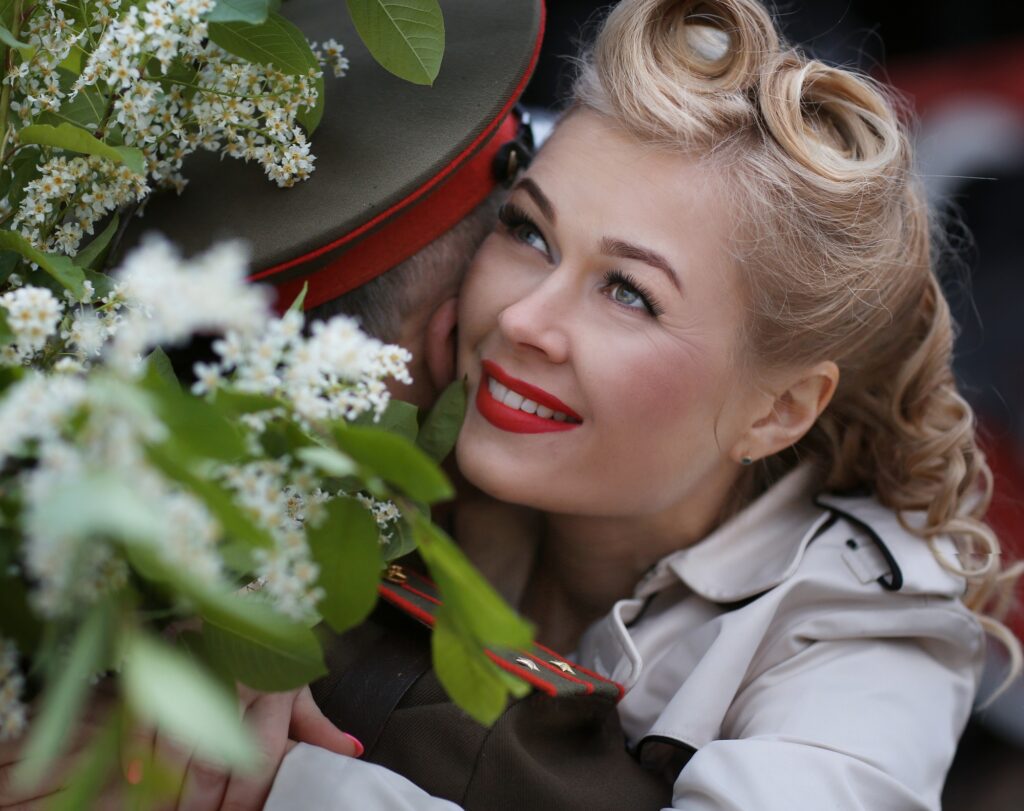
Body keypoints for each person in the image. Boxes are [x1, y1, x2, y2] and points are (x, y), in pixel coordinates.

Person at [264, 0, 1023, 808]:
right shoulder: (396, 397)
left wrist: (269, 777)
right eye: (529, 233)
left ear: (779, 410)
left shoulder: (865, 632)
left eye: (628, 292)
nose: (524, 321)